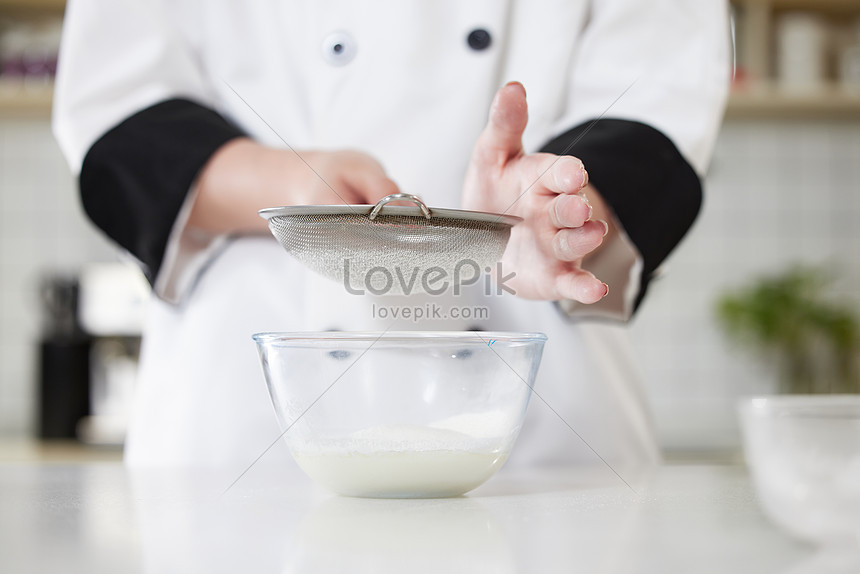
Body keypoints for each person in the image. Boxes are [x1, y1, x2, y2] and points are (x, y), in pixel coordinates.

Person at [53, 1, 729, 469]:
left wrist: (555, 206)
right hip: (242, 428)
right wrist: (290, 185)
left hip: (540, 441)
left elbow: (660, 87)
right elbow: (118, 102)